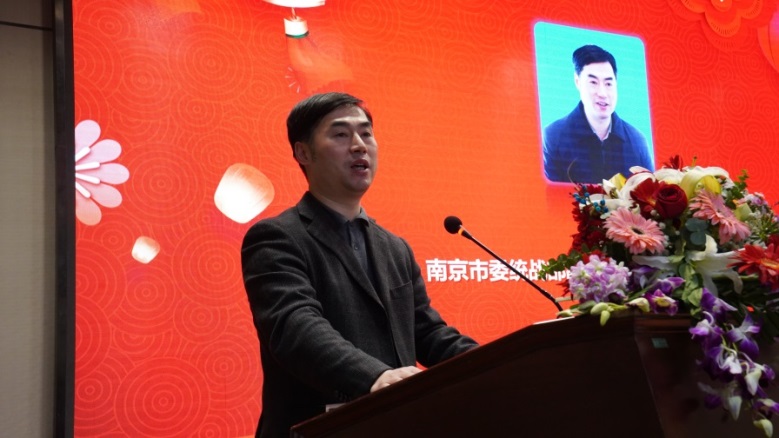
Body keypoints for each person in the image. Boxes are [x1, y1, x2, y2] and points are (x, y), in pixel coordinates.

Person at [242, 92, 478, 438]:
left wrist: (497, 363)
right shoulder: (277, 237)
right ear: (303, 153)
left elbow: (427, 333)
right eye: (341, 134)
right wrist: (374, 377)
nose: (359, 145)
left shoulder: (394, 248)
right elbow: (295, 327)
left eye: (366, 133)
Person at [542, 44, 653, 183]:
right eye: (593, 82)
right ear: (577, 82)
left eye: (608, 84)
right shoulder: (553, 137)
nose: (602, 93)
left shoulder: (637, 141)